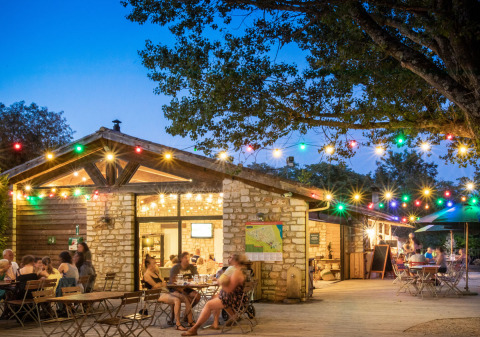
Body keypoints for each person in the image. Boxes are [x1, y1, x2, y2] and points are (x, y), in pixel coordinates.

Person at [181, 254, 248, 336]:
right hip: (234, 298)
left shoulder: (236, 272)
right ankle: (222, 320)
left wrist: (221, 282)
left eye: (231, 258)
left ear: (236, 261)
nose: (229, 259)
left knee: (209, 304)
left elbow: (230, 290)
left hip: (231, 299)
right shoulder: (239, 271)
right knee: (214, 298)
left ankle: (194, 328)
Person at [144, 256, 194, 330]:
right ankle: (178, 324)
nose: (155, 265)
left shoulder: (156, 273)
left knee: (185, 297)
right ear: (148, 265)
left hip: (164, 292)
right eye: (154, 263)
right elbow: (155, 286)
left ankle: (190, 321)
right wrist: (161, 284)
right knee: (176, 300)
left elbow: (163, 283)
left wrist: (161, 284)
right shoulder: (147, 275)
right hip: (155, 295)